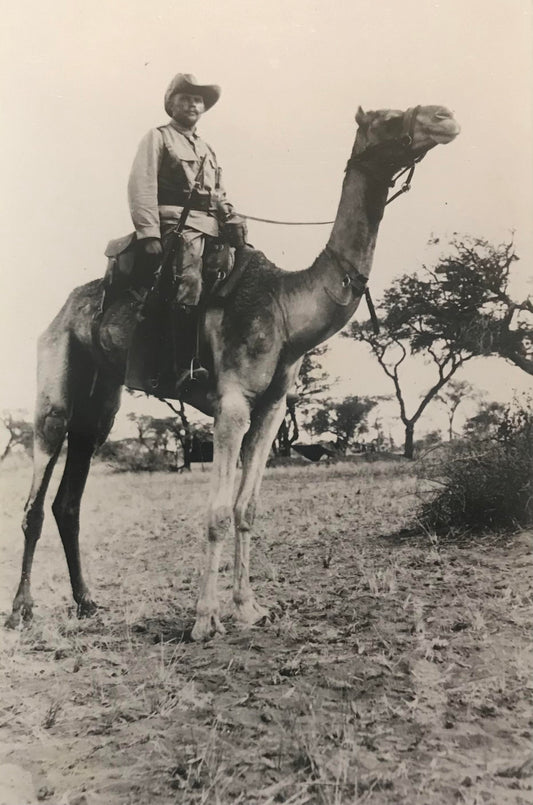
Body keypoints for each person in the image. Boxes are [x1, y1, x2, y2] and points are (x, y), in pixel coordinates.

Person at [127, 72, 246, 306]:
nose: (193, 104)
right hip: (175, 226)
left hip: (210, 226)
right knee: (189, 281)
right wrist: (149, 233)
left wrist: (230, 214)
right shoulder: (159, 137)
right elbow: (142, 185)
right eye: (186, 98)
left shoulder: (206, 149)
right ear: (171, 103)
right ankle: (178, 343)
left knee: (241, 270)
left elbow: (219, 193)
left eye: (198, 100)